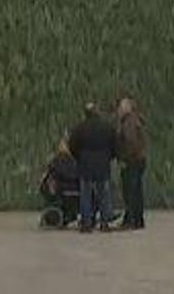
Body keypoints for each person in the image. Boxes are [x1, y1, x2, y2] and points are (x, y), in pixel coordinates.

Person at [67, 103, 117, 233]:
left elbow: (72, 146)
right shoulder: (107, 127)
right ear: (97, 112)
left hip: (85, 164)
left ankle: (86, 223)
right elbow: (115, 144)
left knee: (85, 195)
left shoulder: (79, 128)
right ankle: (105, 222)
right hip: (102, 164)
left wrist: (79, 157)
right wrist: (108, 157)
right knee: (104, 194)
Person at [116, 98, 148, 231]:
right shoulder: (135, 120)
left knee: (130, 191)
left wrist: (124, 158)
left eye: (120, 108)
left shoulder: (128, 123)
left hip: (132, 161)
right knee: (137, 191)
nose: (118, 111)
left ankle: (130, 220)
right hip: (139, 159)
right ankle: (138, 219)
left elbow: (130, 142)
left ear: (126, 109)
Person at [39, 137, 81, 229]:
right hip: (77, 191)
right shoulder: (78, 161)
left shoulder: (54, 161)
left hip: (60, 191)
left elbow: (47, 179)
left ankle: (56, 215)